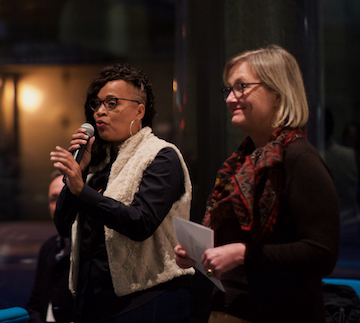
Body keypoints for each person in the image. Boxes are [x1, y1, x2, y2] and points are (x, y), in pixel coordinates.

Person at [174, 45, 340, 323]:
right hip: (231, 308)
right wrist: (201, 253)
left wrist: (242, 253)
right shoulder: (243, 160)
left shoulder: (299, 158)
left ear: (278, 93)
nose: (230, 98)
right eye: (228, 89)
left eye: (241, 86)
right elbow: (237, 241)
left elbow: (321, 254)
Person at [50, 63, 194, 323]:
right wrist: (79, 172)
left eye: (112, 103)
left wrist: (83, 191)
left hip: (147, 300)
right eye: (97, 104)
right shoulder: (99, 163)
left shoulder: (161, 156)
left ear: (139, 111)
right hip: (93, 301)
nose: (100, 112)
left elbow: (140, 223)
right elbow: (62, 225)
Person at [26, 171, 73, 323]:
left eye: (64, 195)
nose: (58, 204)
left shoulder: (92, 247)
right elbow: (35, 305)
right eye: (53, 199)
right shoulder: (49, 247)